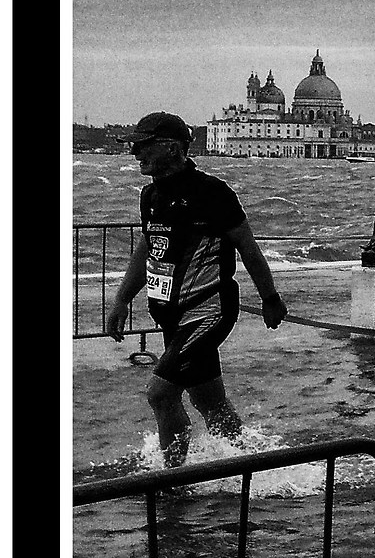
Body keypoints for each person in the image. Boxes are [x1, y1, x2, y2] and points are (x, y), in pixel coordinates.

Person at [103, 112, 287, 467]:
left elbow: (248, 248)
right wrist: (122, 299)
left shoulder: (212, 193)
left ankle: (172, 480)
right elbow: (148, 246)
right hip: (172, 317)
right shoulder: (150, 195)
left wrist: (271, 299)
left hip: (208, 311)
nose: (135, 153)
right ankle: (247, 465)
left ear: (173, 149)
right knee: (208, 400)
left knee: (160, 393)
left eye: (144, 146)